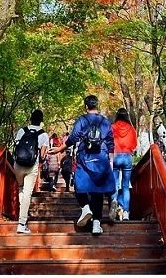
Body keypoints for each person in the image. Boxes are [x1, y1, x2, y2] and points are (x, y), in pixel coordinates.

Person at [49, 95, 114, 235]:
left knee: (78, 184)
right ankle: (96, 223)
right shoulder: (105, 122)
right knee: (97, 191)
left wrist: (60, 149)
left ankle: (85, 208)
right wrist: (110, 161)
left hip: (85, 156)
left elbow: (73, 138)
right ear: (97, 105)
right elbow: (110, 142)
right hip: (101, 158)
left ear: (86, 107)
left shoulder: (82, 120)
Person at [11, 109, 49, 233]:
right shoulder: (44, 135)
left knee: (21, 188)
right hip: (32, 166)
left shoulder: (22, 131)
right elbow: (43, 156)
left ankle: (22, 214)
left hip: (18, 164)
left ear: (30, 118)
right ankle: (21, 223)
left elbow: (16, 147)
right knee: (27, 193)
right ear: (41, 121)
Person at [110, 108, 137, 221]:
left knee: (115, 184)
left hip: (115, 156)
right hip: (127, 157)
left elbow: (108, 142)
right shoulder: (131, 128)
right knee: (125, 186)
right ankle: (126, 212)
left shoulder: (112, 127)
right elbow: (135, 144)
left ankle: (114, 203)